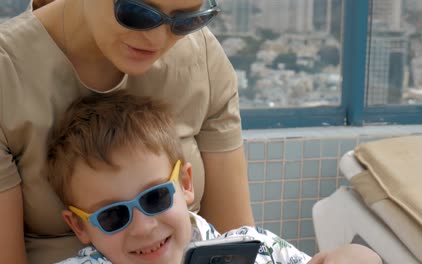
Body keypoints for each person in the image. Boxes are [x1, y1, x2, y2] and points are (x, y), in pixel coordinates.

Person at [0, 0, 254, 263]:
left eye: (187, 20)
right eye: (136, 12)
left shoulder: (201, 57)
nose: (157, 39)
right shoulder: (7, 75)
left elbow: (237, 243)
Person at [47, 91, 382, 264]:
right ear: (79, 226)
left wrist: (358, 256)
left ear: (186, 185)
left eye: (155, 197)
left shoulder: (256, 248)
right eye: (112, 215)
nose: (143, 227)